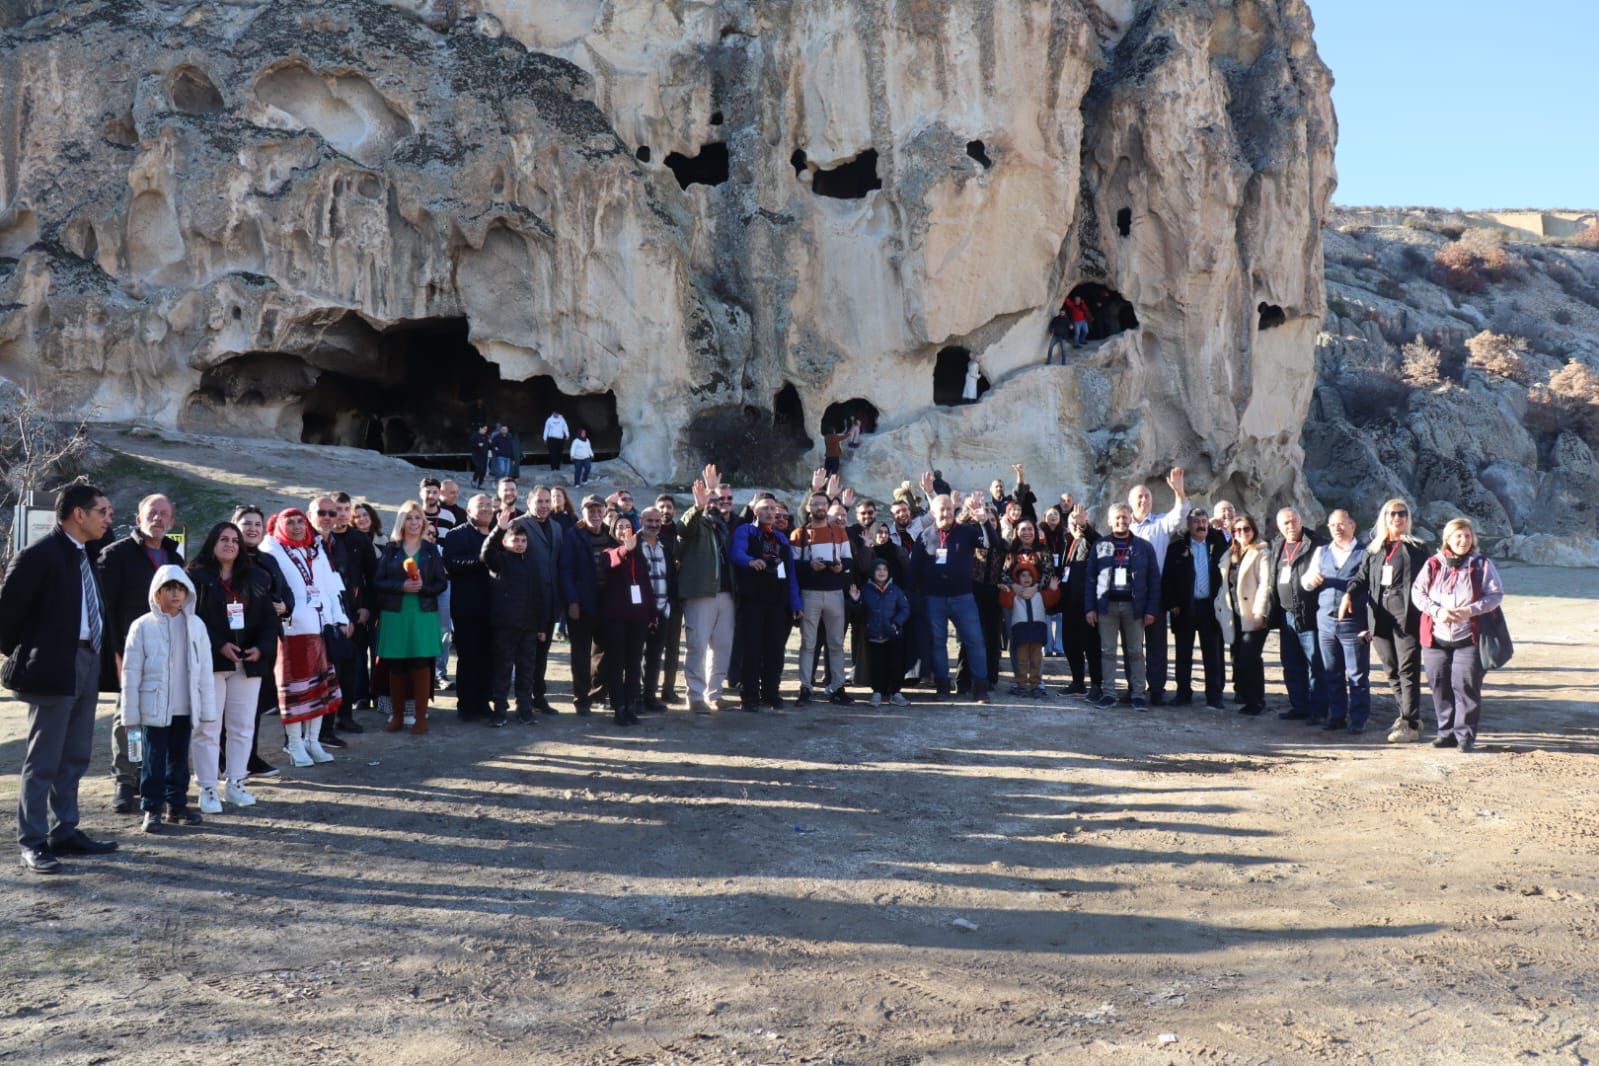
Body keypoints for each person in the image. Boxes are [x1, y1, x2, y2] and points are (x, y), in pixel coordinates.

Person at [2, 483, 118, 874]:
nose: (108, 518)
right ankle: (32, 841)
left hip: (87, 662)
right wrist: (36, 653)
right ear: (78, 514)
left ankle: (64, 831)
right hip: (53, 667)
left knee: (76, 754)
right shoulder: (38, 556)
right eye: (102, 511)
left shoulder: (85, 555)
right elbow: (7, 620)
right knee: (44, 759)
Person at [98, 493, 184, 813]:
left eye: (164, 514)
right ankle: (125, 780)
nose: (158, 519)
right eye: (152, 513)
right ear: (138, 519)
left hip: (167, 652)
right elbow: (105, 612)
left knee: (162, 718)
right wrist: (117, 655)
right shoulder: (115, 555)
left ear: (172, 522)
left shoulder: (174, 558)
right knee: (128, 721)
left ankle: (152, 777)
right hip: (130, 654)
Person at [120, 566, 218, 833]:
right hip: (154, 707)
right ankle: (152, 809)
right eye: (169, 588)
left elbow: (205, 669)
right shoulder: (142, 626)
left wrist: (207, 708)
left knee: (179, 759)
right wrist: (130, 714)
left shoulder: (196, 625)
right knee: (153, 760)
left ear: (188, 592)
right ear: (157, 592)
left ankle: (177, 805)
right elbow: (131, 672)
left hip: (185, 706)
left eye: (180, 588)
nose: (175, 594)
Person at [188, 522, 276, 811]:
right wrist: (218, 644)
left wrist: (260, 648)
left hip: (247, 664)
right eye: (223, 539)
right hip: (212, 662)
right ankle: (208, 788)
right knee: (208, 727)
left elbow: (268, 620)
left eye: (235, 541)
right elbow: (192, 619)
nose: (230, 545)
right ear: (212, 543)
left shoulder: (257, 578)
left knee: (242, 726)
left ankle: (236, 783)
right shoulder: (196, 577)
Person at [261, 508, 347, 765]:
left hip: (319, 629)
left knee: (318, 690)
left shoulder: (314, 550)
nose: (297, 527)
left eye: (301, 522)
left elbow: (329, 588)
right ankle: (295, 744)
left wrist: (337, 618)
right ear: (279, 525)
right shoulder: (272, 551)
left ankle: (313, 741)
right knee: (296, 692)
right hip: (292, 631)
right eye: (291, 522)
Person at [1412, 518, 1504, 753]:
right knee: (1439, 684)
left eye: (1467, 536)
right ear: (1448, 540)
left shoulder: (1481, 564)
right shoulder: (1434, 564)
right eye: (1458, 536)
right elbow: (1418, 593)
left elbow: (1495, 595)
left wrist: (1470, 610)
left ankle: (1465, 736)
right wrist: (1437, 611)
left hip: (1469, 636)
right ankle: (1446, 733)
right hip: (1436, 636)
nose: (1463, 540)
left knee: (1465, 685)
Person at [909, 474, 990, 703]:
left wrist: (983, 522)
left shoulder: (966, 532)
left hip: (963, 598)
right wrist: (916, 597)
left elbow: (991, 544)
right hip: (934, 599)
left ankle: (980, 689)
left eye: (948, 509)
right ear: (933, 513)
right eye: (940, 510)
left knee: (974, 641)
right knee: (938, 643)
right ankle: (943, 687)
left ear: (954, 510)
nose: (945, 513)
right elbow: (914, 571)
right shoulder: (924, 537)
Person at [373, 501, 448, 734]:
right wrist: (401, 586)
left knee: (420, 663)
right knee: (396, 664)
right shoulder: (392, 549)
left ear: (423, 522)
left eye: (418, 518)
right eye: (409, 518)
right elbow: (378, 581)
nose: (414, 522)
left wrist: (423, 587)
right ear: (401, 522)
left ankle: (420, 716)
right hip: (396, 613)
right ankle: (396, 716)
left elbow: (441, 583)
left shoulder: (430, 550)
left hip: (423, 613)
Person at [1360, 499, 1430, 743]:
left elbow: (1428, 581)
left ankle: (1408, 724)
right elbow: (1360, 579)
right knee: (1391, 669)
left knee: (1408, 669)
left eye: (1402, 514)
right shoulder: (1374, 550)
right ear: (1385, 518)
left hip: (1407, 614)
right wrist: (1349, 594)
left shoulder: (1417, 548)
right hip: (1380, 615)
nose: (1397, 518)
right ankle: (1410, 715)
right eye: (1392, 514)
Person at [233, 506, 293, 779]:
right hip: (233, 644)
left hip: (265, 643)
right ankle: (228, 760)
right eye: (246, 523)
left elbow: (286, 592)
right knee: (230, 708)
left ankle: (250, 756)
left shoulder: (268, 561)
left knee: (254, 706)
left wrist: (284, 606)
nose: (252, 528)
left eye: (257, 523)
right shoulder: (225, 558)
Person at [1300, 509, 1370, 734]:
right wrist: (1310, 580)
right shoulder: (1321, 552)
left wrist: (1369, 624)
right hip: (1326, 622)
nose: (1337, 529)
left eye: (1342, 524)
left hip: (1354, 623)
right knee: (1332, 672)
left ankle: (1358, 718)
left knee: (1358, 674)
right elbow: (1306, 583)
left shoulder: (1365, 553)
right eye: (1332, 525)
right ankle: (1337, 715)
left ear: (1353, 525)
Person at [1085, 503, 1160, 709]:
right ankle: (1109, 693)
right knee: (1107, 651)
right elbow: (1090, 579)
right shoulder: (1099, 546)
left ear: (1130, 519)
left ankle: (1137, 694)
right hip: (1106, 607)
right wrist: (1090, 608)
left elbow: (1154, 580)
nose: (1121, 521)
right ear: (1110, 521)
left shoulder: (1144, 547)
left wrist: (1151, 610)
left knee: (1135, 651)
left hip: (1134, 607)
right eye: (1117, 518)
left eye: (1125, 517)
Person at [731, 496, 803, 710]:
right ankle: (750, 696)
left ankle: (771, 693)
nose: (770, 513)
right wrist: (750, 561)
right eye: (765, 509)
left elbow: (790, 573)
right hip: (753, 601)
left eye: (774, 509)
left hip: (777, 603)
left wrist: (796, 604)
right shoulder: (746, 531)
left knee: (775, 650)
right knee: (752, 650)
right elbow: (736, 553)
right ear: (756, 511)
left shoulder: (781, 538)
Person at [481, 511, 552, 726]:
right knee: (503, 670)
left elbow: (538, 596)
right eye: (515, 540)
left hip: (529, 627)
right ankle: (500, 710)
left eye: (523, 540)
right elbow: (486, 553)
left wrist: (541, 626)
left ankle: (525, 709)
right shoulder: (500, 561)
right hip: (505, 626)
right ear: (505, 542)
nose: (520, 544)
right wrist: (499, 529)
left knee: (527, 670)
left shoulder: (532, 564)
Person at [1128, 467, 1190, 705]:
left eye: (1148, 496)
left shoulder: (1161, 525)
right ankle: (1135, 687)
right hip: (1130, 595)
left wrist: (1179, 491)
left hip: (1155, 594)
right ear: (1131, 502)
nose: (1144, 500)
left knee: (1157, 644)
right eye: (1140, 497)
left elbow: (1181, 512)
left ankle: (1156, 689)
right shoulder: (1125, 527)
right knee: (1133, 646)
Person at [678, 468, 737, 714]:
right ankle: (695, 695)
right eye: (713, 499)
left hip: (726, 595)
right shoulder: (697, 522)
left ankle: (715, 692)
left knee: (722, 646)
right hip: (701, 593)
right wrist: (698, 506)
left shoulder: (724, 526)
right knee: (697, 646)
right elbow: (683, 529)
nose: (718, 503)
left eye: (723, 499)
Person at [792, 490, 854, 705]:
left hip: (835, 593)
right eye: (815, 504)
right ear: (808, 507)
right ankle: (805, 688)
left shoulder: (839, 532)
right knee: (808, 643)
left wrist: (840, 568)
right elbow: (793, 565)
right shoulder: (799, 534)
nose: (819, 507)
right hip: (810, 594)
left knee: (836, 643)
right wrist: (809, 565)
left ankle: (838, 687)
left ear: (827, 507)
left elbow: (848, 559)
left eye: (822, 504)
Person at [441, 494, 497, 723]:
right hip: (467, 608)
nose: (485, 509)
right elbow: (452, 564)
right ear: (469, 511)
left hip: (494, 607)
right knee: (468, 658)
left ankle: (484, 702)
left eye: (488, 506)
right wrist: (482, 559)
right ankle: (466, 705)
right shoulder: (457, 534)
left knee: (489, 658)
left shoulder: (497, 534)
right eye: (480, 506)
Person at [559, 494, 617, 714]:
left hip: (607, 602)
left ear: (604, 511)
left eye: (598, 509)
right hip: (582, 604)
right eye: (590, 510)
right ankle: (581, 699)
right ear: (582, 512)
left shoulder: (611, 535)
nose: (595, 514)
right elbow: (566, 570)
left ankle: (599, 694)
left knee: (605, 652)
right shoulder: (573, 535)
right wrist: (572, 601)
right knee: (580, 655)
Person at [1269, 507, 1327, 723]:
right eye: (1286, 523)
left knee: (1316, 664)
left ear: (1301, 520)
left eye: (1294, 521)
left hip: (1309, 614)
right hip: (1286, 615)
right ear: (1279, 526)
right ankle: (1299, 706)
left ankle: (1319, 710)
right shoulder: (1278, 546)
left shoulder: (1316, 544)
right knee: (1291, 664)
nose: (1291, 526)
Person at [1163, 510, 1225, 709]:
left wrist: (1215, 529)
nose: (1201, 525)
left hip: (1210, 608)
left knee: (1212, 655)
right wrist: (1171, 603)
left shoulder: (1217, 546)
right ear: (1188, 525)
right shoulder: (1177, 548)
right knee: (1183, 654)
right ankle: (1183, 694)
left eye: (1204, 521)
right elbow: (1168, 578)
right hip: (1184, 608)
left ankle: (1214, 697)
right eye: (1197, 522)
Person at [510, 486, 564, 713]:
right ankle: (523, 699)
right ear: (529, 501)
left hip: (550, 600)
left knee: (542, 653)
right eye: (539, 501)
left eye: (546, 501)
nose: (543, 505)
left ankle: (539, 695)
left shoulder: (557, 527)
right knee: (525, 655)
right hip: (526, 600)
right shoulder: (519, 524)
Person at [599, 513, 654, 725]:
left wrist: (652, 614)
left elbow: (646, 586)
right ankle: (618, 707)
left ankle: (631, 705)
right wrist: (625, 549)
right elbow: (610, 562)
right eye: (620, 527)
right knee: (617, 662)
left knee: (633, 663)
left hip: (638, 618)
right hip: (616, 618)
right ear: (614, 531)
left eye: (627, 526)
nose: (624, 530)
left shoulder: (639, 555)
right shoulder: (609, 551)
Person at [1216, 514, 1271, 716]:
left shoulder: (1261, 552)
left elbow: (1265, 584)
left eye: (1246, 528)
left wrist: (1260, 612)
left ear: (1253, 529)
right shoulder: (1230, 554)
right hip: (1233, 615)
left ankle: (1256, 701)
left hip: (1252, 614)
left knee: (1250, 658)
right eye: (1237, 530)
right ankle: (1251, 698)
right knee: (1240, 658)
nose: (1242, 533)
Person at [635, 507, 678, 713]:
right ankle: (634, 699)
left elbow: (671, 577)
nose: (653, 524)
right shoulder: (632, 545)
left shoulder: (666, 546)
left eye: (657, 521)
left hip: (662, 609)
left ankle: (649, 697)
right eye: (649, 520)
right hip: (639, 612)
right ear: (641, 521)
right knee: (634, 658)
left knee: (654, 657)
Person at [854, 557, 910, 706]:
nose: (882, 572)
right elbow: (859, 613)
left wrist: (896, 623)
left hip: (893, 634)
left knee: (895, 665)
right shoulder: (865, 590)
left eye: (885, 569)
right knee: (877, 665)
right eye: (878, 569)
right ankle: (877, 692)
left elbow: (905, 609)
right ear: (873, 572)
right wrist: (856, 601)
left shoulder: (896, 590)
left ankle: (896, 693)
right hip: (874, 635)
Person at [1059, 504, 1102, 698]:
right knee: (1070, 645)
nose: (1076, 526)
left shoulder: (1092, 542)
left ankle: (1096, 685)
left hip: (1087, 605)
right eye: (1072, 523)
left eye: (1079, 523)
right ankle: (1077, 682)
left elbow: (1097, 539)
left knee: (1091, 646)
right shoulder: (1069, 544)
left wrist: (1084, 526)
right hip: (1069, 605)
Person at [999, 562, 1059, 698]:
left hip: (1037, 632)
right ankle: (1021, 685)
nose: (1026, 578)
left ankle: (1036, 684)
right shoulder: (1014, 594)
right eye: (1023, 575)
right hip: (1021, 633)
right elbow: (1006, 603)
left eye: (1029, 575)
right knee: (1021, 661)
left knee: (1036, 661)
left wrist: (1053, 590)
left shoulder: (1040, 593)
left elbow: (1051, 600)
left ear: (1034, 578)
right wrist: (1005, 592)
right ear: (1017, 579)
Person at [653, 493, 685, 704]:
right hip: (654, 598)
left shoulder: (680, 533)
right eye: (662, 507)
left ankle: (669, 689)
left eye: (669, 507)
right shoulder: (648, 533)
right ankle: (648, 690)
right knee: (653, 648)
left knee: (673, 647)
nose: (665, 511)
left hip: (675, 597)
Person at [468, 423, 491, 489]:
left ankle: (480, 485)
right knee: (479, 468)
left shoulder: (486, 436)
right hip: (476, 455)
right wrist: (477, 444)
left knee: (483, 470)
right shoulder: (474, 435)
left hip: (484, 455)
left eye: (486, 429)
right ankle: (474, 481)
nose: (485, 430)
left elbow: (489, 446)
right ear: (480, 428)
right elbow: (470, 445)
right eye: (484, 429)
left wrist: (490, 443)